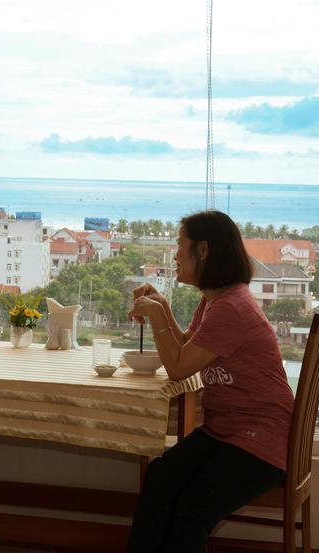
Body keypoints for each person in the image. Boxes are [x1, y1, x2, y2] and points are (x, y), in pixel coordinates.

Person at [125, 210, 293, 553]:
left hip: (260, 439)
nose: (174, 255)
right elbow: (188, 347)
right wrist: (163, 306)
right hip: (225, 430)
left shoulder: (231, 308)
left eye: (178, 245)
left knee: (191, 511)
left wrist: (156, 313)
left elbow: (177, 367)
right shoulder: (217, 299)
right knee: (161, 477)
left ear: (202, 250)